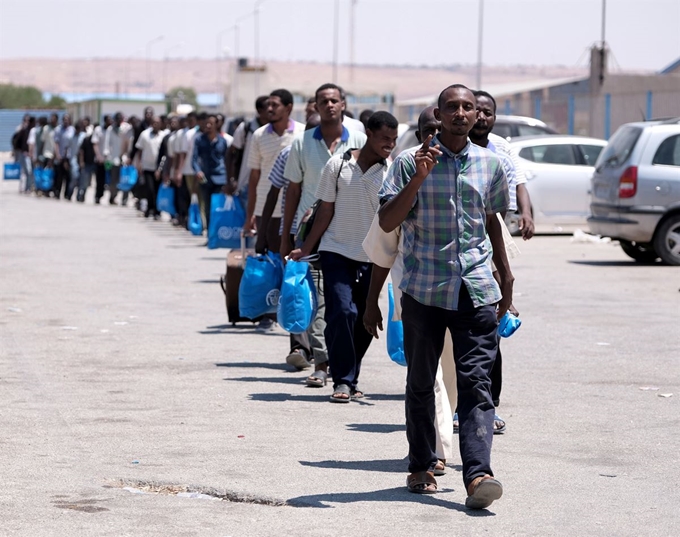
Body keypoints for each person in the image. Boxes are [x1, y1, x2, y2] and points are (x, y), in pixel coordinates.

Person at [378, 84, 513, 509]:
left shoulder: (492, 163)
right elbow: (386, 222)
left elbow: (491, 220)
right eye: (451, 106)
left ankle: (478, 475)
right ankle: (421, 463)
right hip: (423, 290)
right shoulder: (406, 163)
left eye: (467, 107)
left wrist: (505, 275)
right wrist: (418, 177)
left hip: (475, 289)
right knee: (421, 382)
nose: (459, 113)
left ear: (477, 115)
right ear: (438, 113)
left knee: (477, 383)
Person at [363, 105, 456, 470]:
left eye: (440, 128)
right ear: (418, 136)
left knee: (454, 373)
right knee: (426, 373)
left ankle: (435, 438)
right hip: (414, 290)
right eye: (426, 132)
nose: (434, 137)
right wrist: (372, 303)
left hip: (463, 293)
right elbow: (383, 246)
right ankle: (435, 450)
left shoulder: (469, 166)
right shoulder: (404, 170)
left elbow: (491, 236)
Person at [290, 111, 398, 402]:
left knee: (366, 317)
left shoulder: (393, 171)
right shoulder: (337, 165)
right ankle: (343, 380)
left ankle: (351, 373)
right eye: (384, 138)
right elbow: (325, 209)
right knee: (341, 312)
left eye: (394, 140)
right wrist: (307, 247)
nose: (390, 145)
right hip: (335, 249)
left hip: (373, 255)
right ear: (369, 135)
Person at [281, 83, 367, 383]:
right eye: (323, 101)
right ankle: (321, 363)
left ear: (343, 104)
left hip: (350, 234)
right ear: (315, 107)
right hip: (310, 234)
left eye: (334, 100)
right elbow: (292, 190)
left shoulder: (360, 141)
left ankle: (345, 364)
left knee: (346, 307)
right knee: (318, 300)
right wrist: (286, 235)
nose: (329, 105)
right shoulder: (302, 144)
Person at [468, 89, 533, 434]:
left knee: (487, 340)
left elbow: (496, 220)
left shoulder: (500, 156)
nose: (479, 116)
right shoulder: (444, 153)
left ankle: (487, 409)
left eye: (486, 111)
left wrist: (504, 282)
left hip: (486, 257)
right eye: (473, 110)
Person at [245, 89, 305, 254]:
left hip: (295, 208)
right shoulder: (258, 135)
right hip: (265, 208)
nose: (269, 109)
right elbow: (254, 176)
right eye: (268, 105)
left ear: (288, 108)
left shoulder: (302, 134)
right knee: (270, 257)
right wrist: (249, 214)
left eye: (274, 105)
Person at [228, 96, 269, 206]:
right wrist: (230, 180)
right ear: (260, 111)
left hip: (270, 184)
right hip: (247, 183)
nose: (271, 109)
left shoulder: (277, 129)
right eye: (268, 107)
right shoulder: (246, 128)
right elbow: (230, 153)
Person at [192, 114, 230, 229]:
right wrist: (198, 171)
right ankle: (210, 233)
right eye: (206, 123)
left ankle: (218, 231)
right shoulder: (199, 140)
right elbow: (194, 159)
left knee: (217, 207)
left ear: (216, 125)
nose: (208, 126)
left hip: (220, 178)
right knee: (207, 207)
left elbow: (227, 161)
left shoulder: (222, 141)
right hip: (205, 178)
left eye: (211, 124)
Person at [175, 112, 203, 228]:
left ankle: (202, 222)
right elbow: (183, 154)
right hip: (189, 170)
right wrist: (179, 171)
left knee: (202, 198)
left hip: (201, 171)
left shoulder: (204, 134)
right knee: (193, 197)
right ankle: (193, 221)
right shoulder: (189, 134)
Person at [134, 116, 164, 218]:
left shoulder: (163, 135)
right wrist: (139, 164)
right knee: (149, 189)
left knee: (157, 189)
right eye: (154, 122)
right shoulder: (145, 134)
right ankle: (149, 208)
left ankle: (156, 211)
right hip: (147, 166)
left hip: (159, 168)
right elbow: (140, 150)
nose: (156, 124)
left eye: (158, 122)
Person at [104, 112, 133, 205]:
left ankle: (124, 199)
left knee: (126, 179)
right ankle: (112, 196)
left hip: (125, 158)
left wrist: (128, 155)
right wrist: (107, 154)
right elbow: (107, 143)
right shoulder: (110, 129)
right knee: (114, 180)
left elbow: (130, 142)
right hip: (114, 158)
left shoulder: (127, 128)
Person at [52, 114, 75, 200]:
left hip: (69, 156)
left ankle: (67, 194)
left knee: (68, 176)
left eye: (67, 119)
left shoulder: (72, 130)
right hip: (60, 156)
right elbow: (56, 143)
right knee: (59, 176)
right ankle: (57, 192)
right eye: (64, 119)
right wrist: (57, 154)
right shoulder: (58, 130)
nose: (66, 121)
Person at [92, 115, 112, 204]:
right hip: (100, 159)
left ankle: (110, 196)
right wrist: (98, 156)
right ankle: (98, 196)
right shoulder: (98, 130)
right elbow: (95, 143)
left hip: (109, 159)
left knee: (109, 179)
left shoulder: (112, 130)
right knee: (99, 179)